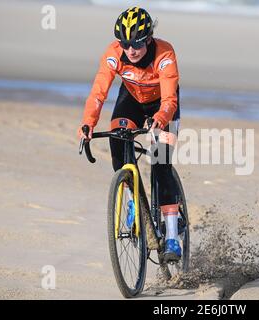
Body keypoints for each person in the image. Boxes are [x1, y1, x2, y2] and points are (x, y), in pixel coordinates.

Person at [78, 7, 181, 262]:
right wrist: (88, 123)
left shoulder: (165, 54)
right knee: (117, 138)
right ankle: (134, 199)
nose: (131, 50)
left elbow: (169, 99)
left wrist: (159, 119)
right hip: (132, 99)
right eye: (125, 44)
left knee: (161, 164)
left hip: (163, 107)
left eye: (136, 44)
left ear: (148, 39)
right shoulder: (114, 53)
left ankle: (171, 236)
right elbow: (99, 92)